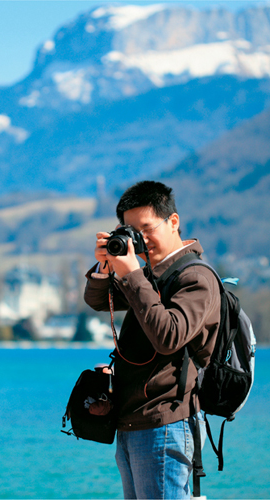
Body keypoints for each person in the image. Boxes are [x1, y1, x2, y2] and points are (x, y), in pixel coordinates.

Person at [84, 180, 221, 500]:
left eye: (146, 228)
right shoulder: (148, 276)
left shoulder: (196, 278)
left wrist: (132, 274)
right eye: (130, 232)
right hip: (133, 420)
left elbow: (168, 336)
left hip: (166, 422)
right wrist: (106, 268)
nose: (139, 240)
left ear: (173, 222)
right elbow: (97, 301)